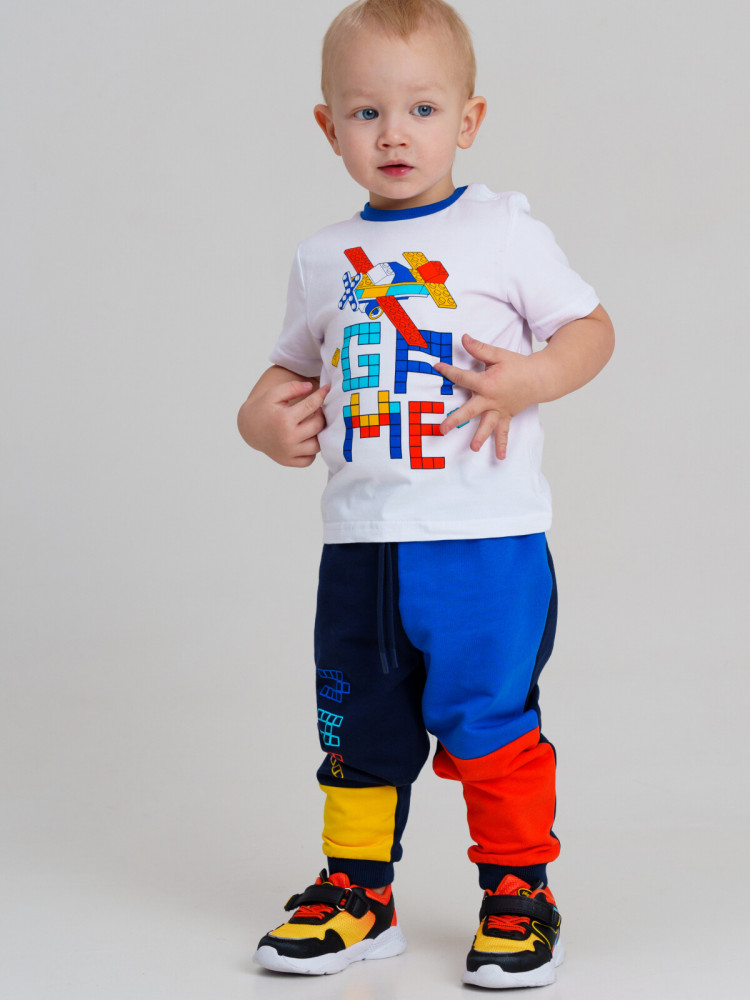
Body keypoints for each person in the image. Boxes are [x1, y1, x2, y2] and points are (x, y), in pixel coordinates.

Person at [237, 0, 614, 988]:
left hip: (482, 543)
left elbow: (590, 330)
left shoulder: (501, 231)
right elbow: (286, 373)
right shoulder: (322, 258)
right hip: (362, 547)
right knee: (356, 726)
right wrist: (260, 423)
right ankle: (359, 891)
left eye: (422, 109)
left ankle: (519, 890)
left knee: (491, 718)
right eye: (366, 113)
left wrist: (533, 378)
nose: (394, 134)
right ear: (329, 127)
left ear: (469, 120)